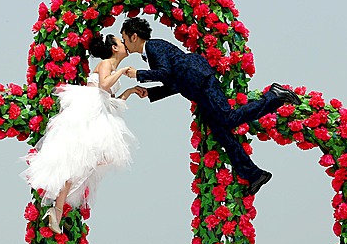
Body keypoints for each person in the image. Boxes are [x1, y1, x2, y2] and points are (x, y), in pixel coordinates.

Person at [120, 17, 301, 196]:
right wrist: (150, 92)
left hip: (201, 80)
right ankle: (254, 174)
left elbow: (165, 74)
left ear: (134, 37)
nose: (124, 43)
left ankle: (275, 96)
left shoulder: (153, 46)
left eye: (124, 38)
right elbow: (173, 82)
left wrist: (139, 74)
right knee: (221, 132)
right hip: (195, 87)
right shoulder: (151, 53)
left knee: (227, 119)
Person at [22, 34, 147, 233]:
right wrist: (123, 71)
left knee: (86, 162)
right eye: (121, 42)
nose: (125, 44)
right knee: (81, 160)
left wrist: (131, 91)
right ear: (114, 48)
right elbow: (104, 86)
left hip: (101, 112)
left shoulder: (113, 70)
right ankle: (57, 209)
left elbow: (113, 102)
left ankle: (57, 209)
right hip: (88, 112)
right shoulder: (106, 64)